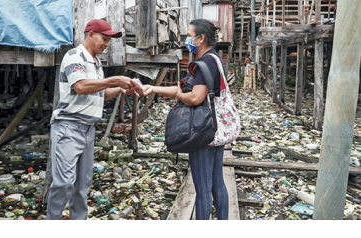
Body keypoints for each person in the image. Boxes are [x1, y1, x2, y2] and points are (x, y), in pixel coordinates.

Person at [46, 19, 139, 220]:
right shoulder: (74, 56)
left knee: (82, 185)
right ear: (90, 34)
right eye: (104, 38)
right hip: (69, 127)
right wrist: (114, 79)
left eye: (108, 40)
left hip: (88, 129)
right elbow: (80, 86)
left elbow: (100, 94)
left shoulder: (96, 62)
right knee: (63, 183)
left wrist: (121, 89)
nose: (106, 44)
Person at [140, 19, 229, 220]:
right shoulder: (214, 59)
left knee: (203, 189)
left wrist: (180, 97)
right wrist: (154, 88)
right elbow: (184, 89)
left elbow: (194, 97)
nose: (187, 40)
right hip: (215, 126)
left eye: (189, 36)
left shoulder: (203, 63)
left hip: (202, 130)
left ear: (201, 38)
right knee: (217, 182)